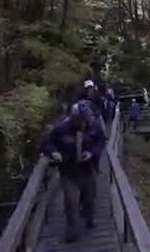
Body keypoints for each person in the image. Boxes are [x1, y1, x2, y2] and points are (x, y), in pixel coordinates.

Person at [41, 103, 106, 242]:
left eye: (86, 120)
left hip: (87, 169)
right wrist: (54, 152)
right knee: (71, 202)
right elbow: (47, 143)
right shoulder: (61, 129)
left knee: (89, 198)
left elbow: (100, 142)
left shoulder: (93, 127)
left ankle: (89, 218)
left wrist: (92, 153)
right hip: (68, 172)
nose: (84, 123)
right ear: (74, 118)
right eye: (82, 120)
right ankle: (72, 232)